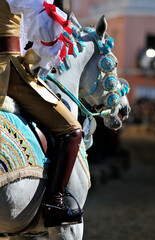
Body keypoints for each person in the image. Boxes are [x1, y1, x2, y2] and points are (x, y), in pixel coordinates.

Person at [0, 0, 83, 227]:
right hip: (5, 70)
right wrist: (36, 57)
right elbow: (46, 27)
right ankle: (54, 205)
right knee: (72, 132)